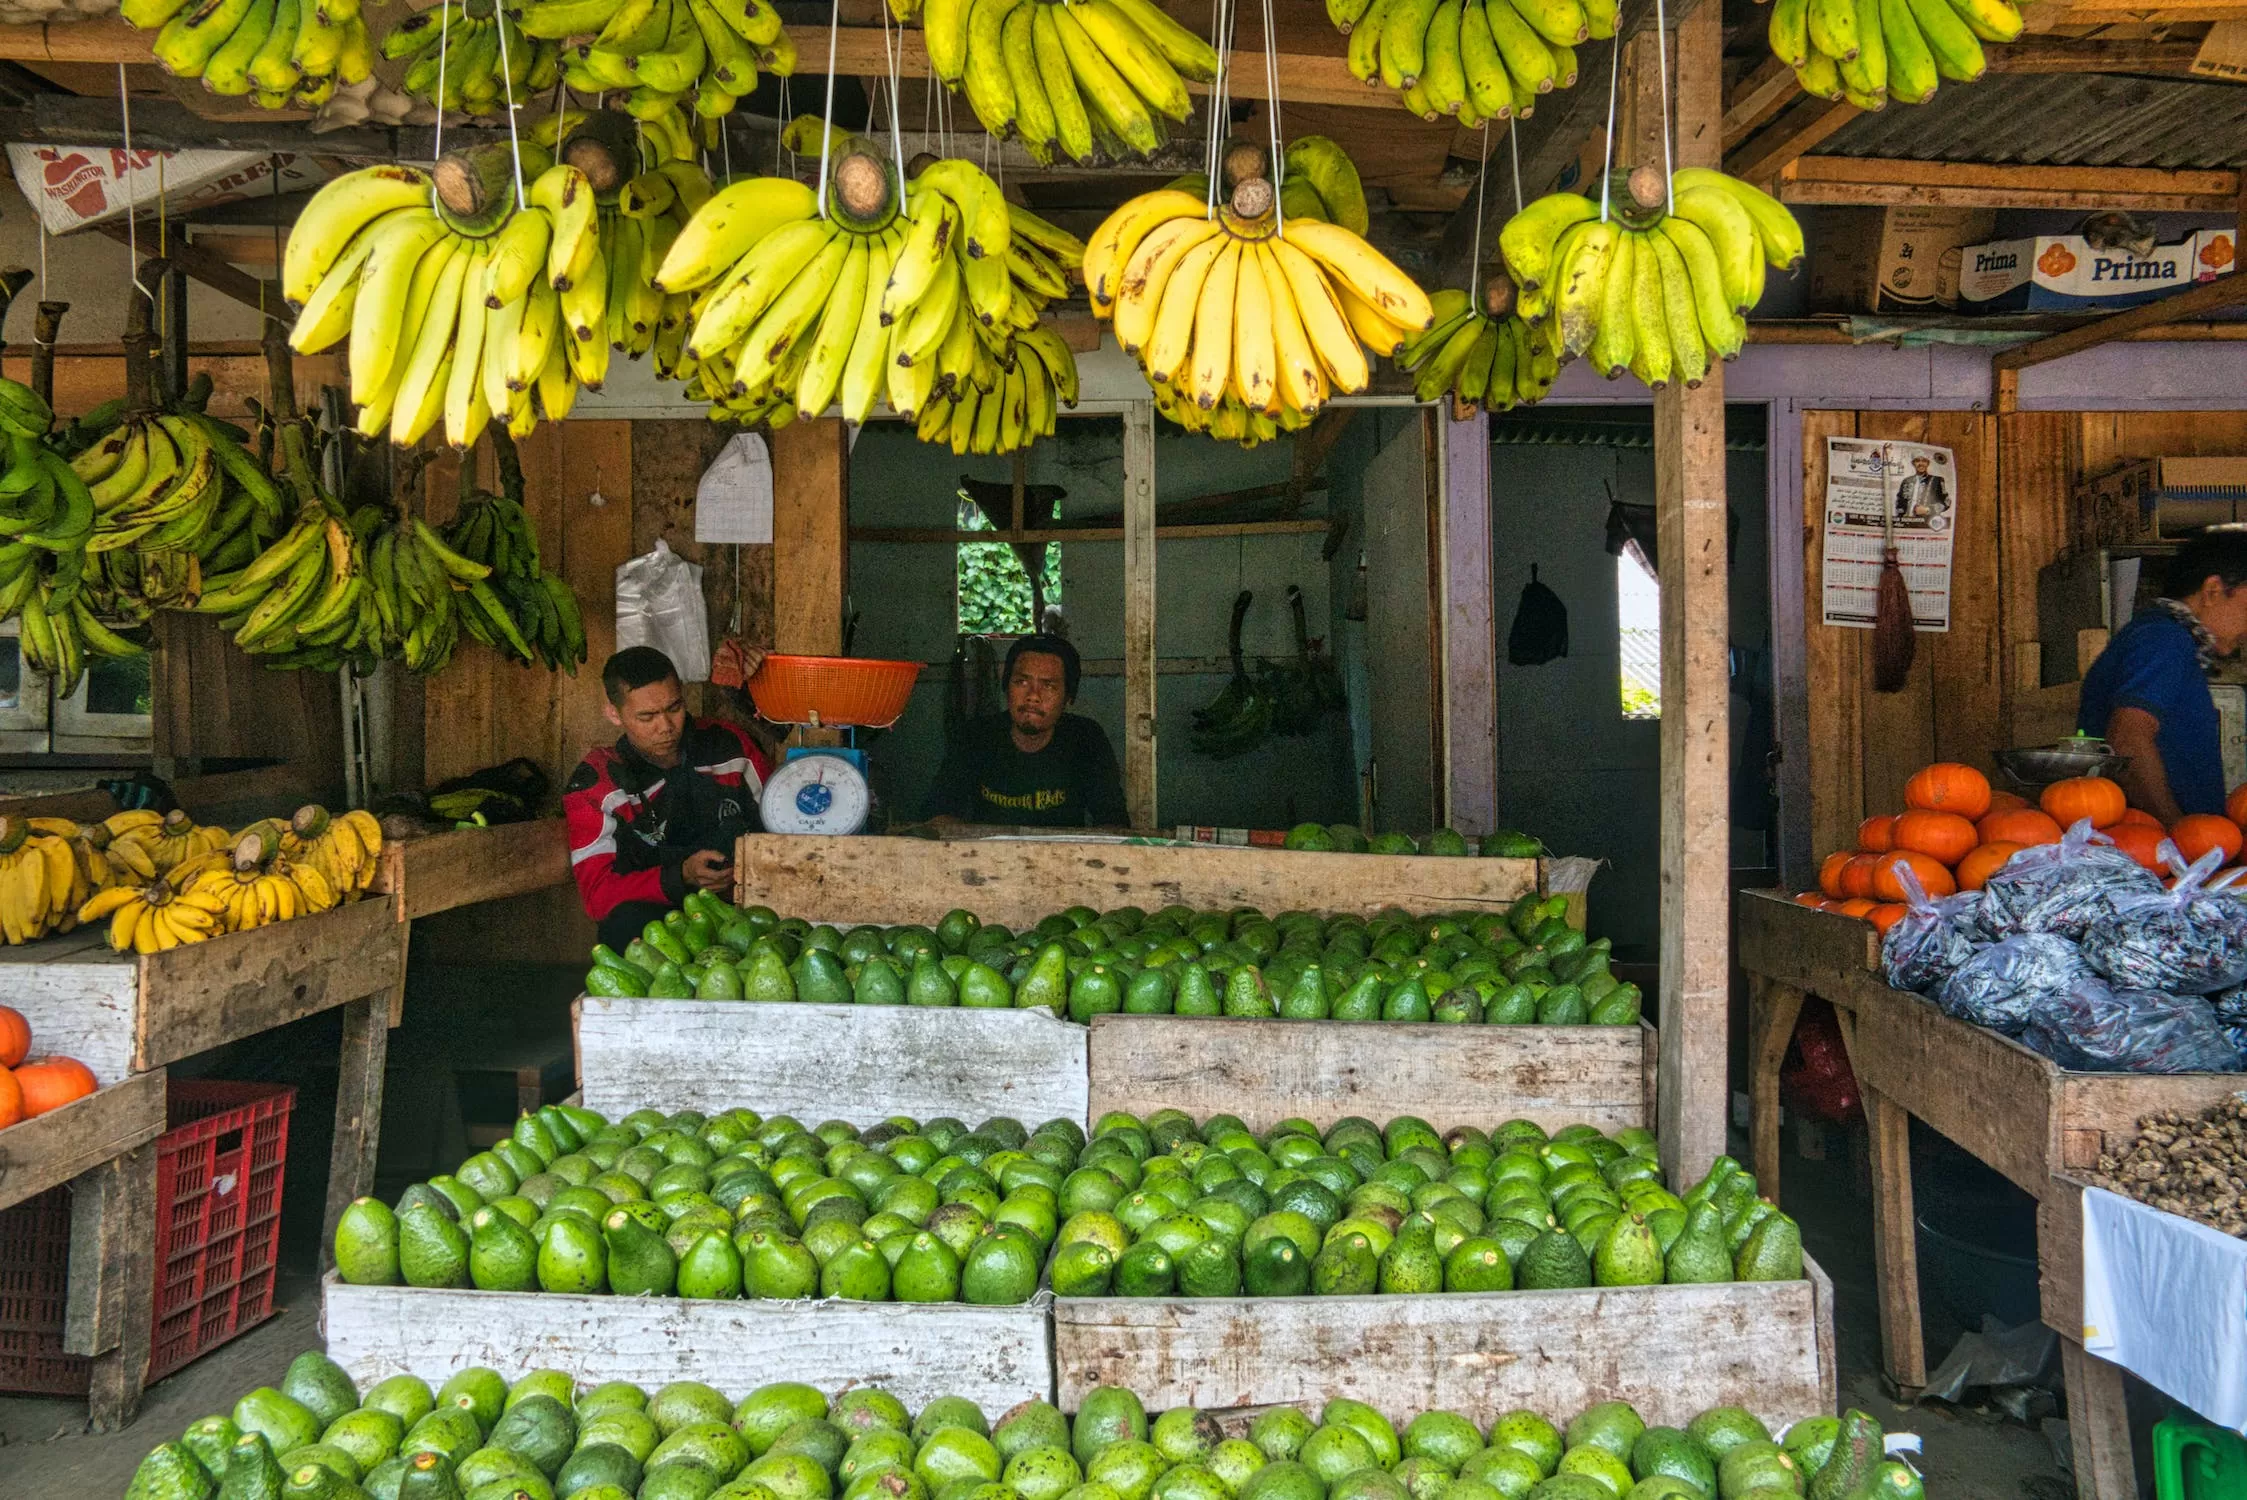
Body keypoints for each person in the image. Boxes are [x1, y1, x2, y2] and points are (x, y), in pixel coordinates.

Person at [566, 645, 773, 950]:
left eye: (674, 708)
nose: (665, 728)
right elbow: (598, 896)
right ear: (613, 713)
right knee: (621, 924)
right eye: (647, 716)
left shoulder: (731, 746)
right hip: (664, 924)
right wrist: (682, 876)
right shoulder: (598, 783)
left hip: (749, 909)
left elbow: (785, 833)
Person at [2078, 533, 2247, 823]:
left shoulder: (2165, 637)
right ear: (2213, 591)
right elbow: (2128, 739)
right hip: (2159, 849)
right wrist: (2176, 831)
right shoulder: (2164, 638)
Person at [924, 633, 1128, 828]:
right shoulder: (976, 736)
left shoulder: (1085, 738)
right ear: (1006, 687)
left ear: (1068, 697)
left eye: (1048, 686)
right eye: (1021, 682)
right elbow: (938, 814)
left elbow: (1113, 822)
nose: (1033, 696)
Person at [1895, 455, 1948, 521]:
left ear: (1928, 463)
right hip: (1906, 522)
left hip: (1926, 522)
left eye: (1924, 461)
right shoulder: (1906, 481)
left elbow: (1946, 502)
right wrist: (1900, 514)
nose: (1921, 464)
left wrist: (1928, 509)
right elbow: (1899, 501)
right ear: (1913, 463)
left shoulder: (1937, 480)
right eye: (1917, 461)